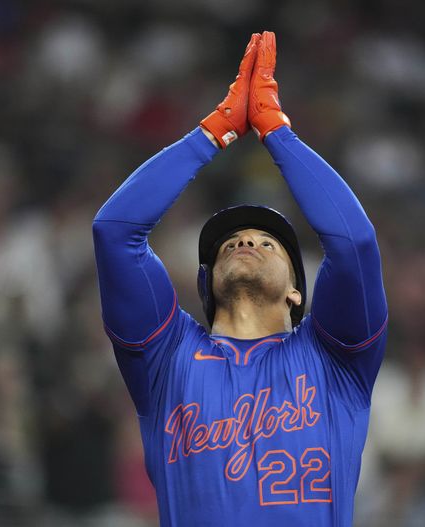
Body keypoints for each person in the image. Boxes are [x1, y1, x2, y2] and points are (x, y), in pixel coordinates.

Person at [93, 31, 388, 526]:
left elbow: (353, 243)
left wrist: (277, 132)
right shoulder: (166, 357)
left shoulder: (335, 358)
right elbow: (114, 231)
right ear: (206, 286)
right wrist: (212, 133)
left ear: (297, 291)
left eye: (268, 243)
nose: (246, 240)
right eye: (229, 243)